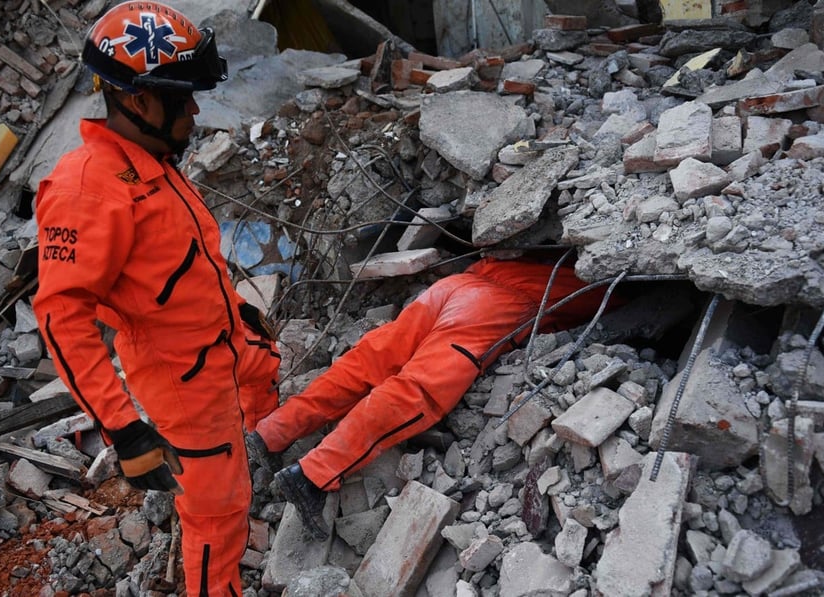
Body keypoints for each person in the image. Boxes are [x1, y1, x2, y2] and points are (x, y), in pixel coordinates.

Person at [32, 3, 279, 594]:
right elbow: (62, 319)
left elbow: (177, 262)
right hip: (184, 381)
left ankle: (263, 454)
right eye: (182, 98)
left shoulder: (151, 162)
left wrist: (234, 311)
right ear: (138, 101)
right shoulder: (86, 191)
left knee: (267, 364)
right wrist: (124, 430)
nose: (194, 109)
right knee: (216, 516)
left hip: (223, 341)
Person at [245, 256, 614, 540]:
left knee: (369, 361)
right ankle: (312, 475)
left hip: (456, 285)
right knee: (417, 391)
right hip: (494, 305)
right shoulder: (612, 276)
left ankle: (273, 432)